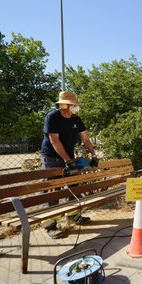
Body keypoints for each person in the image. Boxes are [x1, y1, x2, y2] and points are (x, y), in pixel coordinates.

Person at [40, 91, 99, 237]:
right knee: (53, 189)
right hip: (51, 158)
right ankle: (50, 225)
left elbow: (85, 139)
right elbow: (54, 140)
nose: (76, 107)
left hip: (69, 157)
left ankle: (73, 215)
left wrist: (94, 155)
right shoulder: (52, 117)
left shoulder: (76, 119)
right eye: (74, 105)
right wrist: (67, 160)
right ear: (64, 105)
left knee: (73, 186)